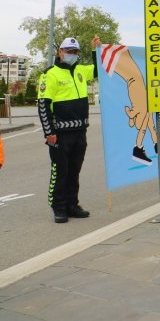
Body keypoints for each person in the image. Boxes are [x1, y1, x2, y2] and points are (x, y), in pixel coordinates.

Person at [37, 36, 101, 223]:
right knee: (60, 171)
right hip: (60, 135)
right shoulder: (50, 74)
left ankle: (72, 205)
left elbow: (99, 69)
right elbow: (43, 106)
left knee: (74, 171)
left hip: (80, 131)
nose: (71, 55)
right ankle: (59, 207)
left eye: (74, 52)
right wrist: (49, 133)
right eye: (68, 51)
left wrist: (96, 50)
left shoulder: (82, 70)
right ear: (60, 52)